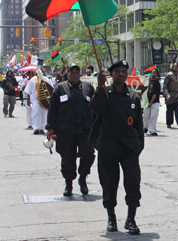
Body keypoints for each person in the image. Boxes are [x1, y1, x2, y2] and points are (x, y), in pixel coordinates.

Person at [89, 60, 144, 234]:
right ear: (111, 75)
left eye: (123, 71)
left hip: (129, 147)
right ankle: (111, 218)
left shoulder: (134, 96)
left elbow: (138, 124)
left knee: (133, 183)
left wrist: (139, 146)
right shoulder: (105, 93)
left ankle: (131, 219)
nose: (121, 74)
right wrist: (99, 87)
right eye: (117, 71)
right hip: (108, 145)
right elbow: (95, 109)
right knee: (109, 184)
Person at [46, 64, 96, 196]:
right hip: (65, 130)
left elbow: (95, 109)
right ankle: (68, 183)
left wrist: (98, 127)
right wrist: (50, 128)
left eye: (77, 72)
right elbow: (53, 109)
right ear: (67, 74)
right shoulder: (60, 88)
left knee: (88, 153)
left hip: (85, 130)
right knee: (67, 158)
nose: (75, 75)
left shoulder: (88, 88)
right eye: (72, 72)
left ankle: (83, 177)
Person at [24, 69, 53, 135]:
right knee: (36, 113)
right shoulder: (32, 80)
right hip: (35, 100)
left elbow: (50, 89)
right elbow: (28, 91)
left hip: (44, 101)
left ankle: (42, 128)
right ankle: (36, 128)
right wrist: (28, 99)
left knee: (43, 114)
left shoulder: (46, 80)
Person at [163, 62, 178, 129]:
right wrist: (166, 93)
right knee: (170, 110)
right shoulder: (169, 75)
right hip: (170, 95)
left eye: (176, 67)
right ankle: (169, 123)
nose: (175, 68)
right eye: (174, 67)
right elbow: (165, 85)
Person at [143, 68, 161, 136]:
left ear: (157, 74)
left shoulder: (157, 83)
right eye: (152, 73)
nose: (153, 74)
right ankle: (145, 127)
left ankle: (152, 130)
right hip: (146, 101)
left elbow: (155, 94)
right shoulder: (148, 80)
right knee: (146, 116)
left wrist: (151, 103)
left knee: (153, 115)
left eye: (155, 73)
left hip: (155, 102)